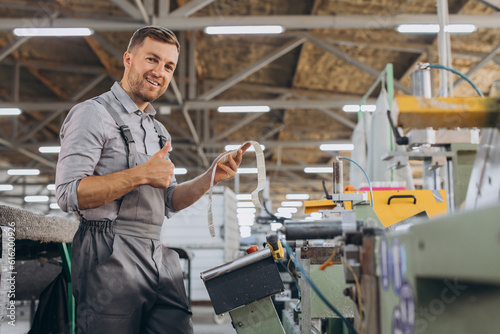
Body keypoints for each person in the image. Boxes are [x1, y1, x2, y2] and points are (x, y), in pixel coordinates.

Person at [55, 26, 250, 334]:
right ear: (128, 59)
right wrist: (141, 174)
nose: (160, 71)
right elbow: (68, 193)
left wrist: (210, 178)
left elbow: (169, 200)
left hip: (157, 251)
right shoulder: (92, 114)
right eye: (152, 59)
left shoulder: (158, 131)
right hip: (107, 251)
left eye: (168, 66)